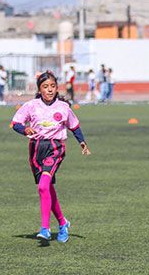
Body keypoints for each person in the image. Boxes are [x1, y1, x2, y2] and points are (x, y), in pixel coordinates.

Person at [10, 71, 91, 243]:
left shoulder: (63, 107)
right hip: (36, 149)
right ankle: (63, 223)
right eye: (45, 87)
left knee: (43, 186)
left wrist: (82, 142)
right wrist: (25, 129)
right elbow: (15, 123)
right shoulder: (31, 105)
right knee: (46, 188)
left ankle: (45, 229)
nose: (49, 90)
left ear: (57, 88)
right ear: (39, 89)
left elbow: (74, 126)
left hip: (56, 147)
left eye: (53, 86)